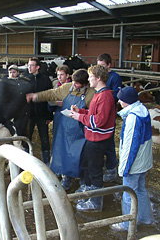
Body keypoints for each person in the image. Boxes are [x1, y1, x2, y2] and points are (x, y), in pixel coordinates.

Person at [26, 69, 95, 190]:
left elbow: (94, 112)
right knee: (62, 153)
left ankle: (84, 181)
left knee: (80, 155)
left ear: (84, 84)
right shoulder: (67, 87)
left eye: (77, 83)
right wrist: (36, 96)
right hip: (63, 128)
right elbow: (52, 93)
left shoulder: (91, 93)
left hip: (80, 131)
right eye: (73, 81)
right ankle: (67, 177)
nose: (74, 84)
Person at [69, 64, 116, 212]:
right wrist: (82, 111)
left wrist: (80, 117)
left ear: (99, 78)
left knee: (95, 170)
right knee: (88, 165)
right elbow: (93, 113)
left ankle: (95, 203)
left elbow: (99, 121)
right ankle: (89, 191)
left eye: (90, 77)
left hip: (98, 139)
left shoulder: (105, 96)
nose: (89, 80)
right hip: (93, 138)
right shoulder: (98, 93)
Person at [111, 87, 154, 231]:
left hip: (134, 163)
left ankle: (128, 225)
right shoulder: (142, 110)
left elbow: (130, 145)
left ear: (127, 101)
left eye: (121, 99)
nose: (119, 101)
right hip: (143, 161)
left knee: (128, 193)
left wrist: (124, 168)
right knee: (141, 190)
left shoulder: (132, 118)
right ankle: (146, 219)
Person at [97, 53, 122, 183]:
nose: (100, 68)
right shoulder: (99, 76)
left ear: (109, 65)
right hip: (98, 113)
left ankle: (112, 169)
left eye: (102, 65)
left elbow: (116, 95)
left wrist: (103, 98)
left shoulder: (115, 77)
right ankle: (102, 166)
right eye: (98, 65)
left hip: (109, 114)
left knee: (109, 142)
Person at [27, 57, 53, 165]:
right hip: (29, 115)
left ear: (37, 67)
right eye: (28, 65)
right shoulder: (25, 79)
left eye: (32, 65)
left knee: (44, 138)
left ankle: (46, 161)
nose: (29, 67)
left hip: (42, 114)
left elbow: (50, 98)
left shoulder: (46, 79)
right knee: (27, 138)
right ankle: (27, 160)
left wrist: (49, 115)